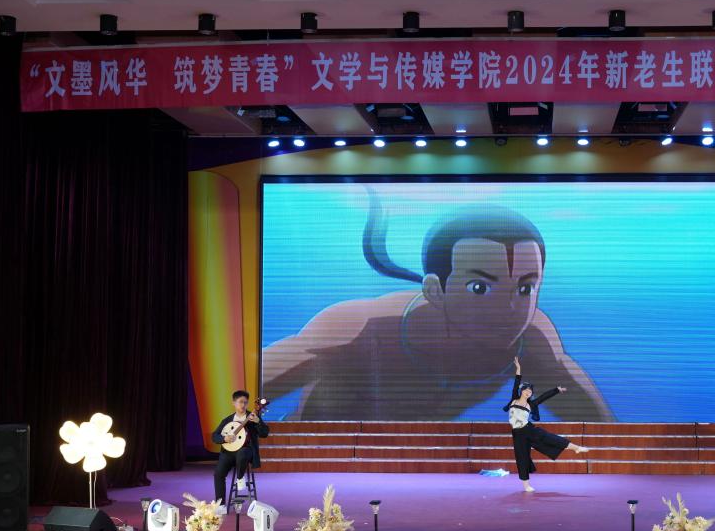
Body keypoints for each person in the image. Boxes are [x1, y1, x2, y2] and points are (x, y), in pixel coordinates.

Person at [263, 197, 613, 422]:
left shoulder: (532, 342)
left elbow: (603, 429)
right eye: (480, 288)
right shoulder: (360, 329)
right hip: (326, 465)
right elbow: (251, 388)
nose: (509, 309)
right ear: (434, 290)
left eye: (525, 288)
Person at [506, 357, 589, 492]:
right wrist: (518, 369)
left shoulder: (531, 404)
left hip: (528, 430)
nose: (528, 393)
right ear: (522, 390)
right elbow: (516, 382)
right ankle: (526, 486)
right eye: (526, 390)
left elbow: (544, 397)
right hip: (517, 434)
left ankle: (576, 448)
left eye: (530, 392)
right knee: (522, 458)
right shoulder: (514, 399)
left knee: (550, 438)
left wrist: (556, 390)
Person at [211, 389, 270, 504]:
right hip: (229, 453)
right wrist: (224, 438)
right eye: (240, 402)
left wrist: (258, 421)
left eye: (245, 402)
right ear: (234, 403)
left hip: (246, 452)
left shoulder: (252, 417)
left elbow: (265, 433)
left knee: (242, 452)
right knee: (218, 474)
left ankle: (240, 477)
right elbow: (214, 436)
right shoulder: (228, 420)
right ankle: (220, 504)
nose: (243, 405)